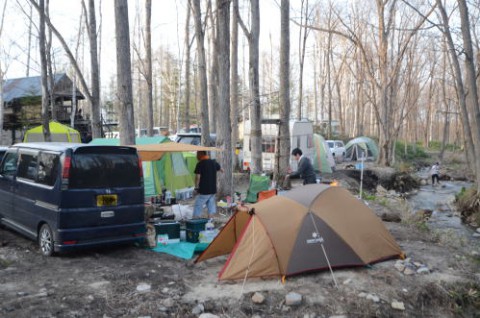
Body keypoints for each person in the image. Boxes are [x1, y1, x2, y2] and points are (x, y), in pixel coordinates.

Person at [193, 151, 222, 218]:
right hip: (213, 189)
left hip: (204, 189)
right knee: (210, 204)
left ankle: (196, 220)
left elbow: (198, 177)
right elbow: (221, 169)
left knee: (198, 205)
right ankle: (210, 220)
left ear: (200, 154)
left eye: (197, 154)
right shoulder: (213, 162)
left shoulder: (200, 164)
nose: (196, 156)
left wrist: (196, 187)